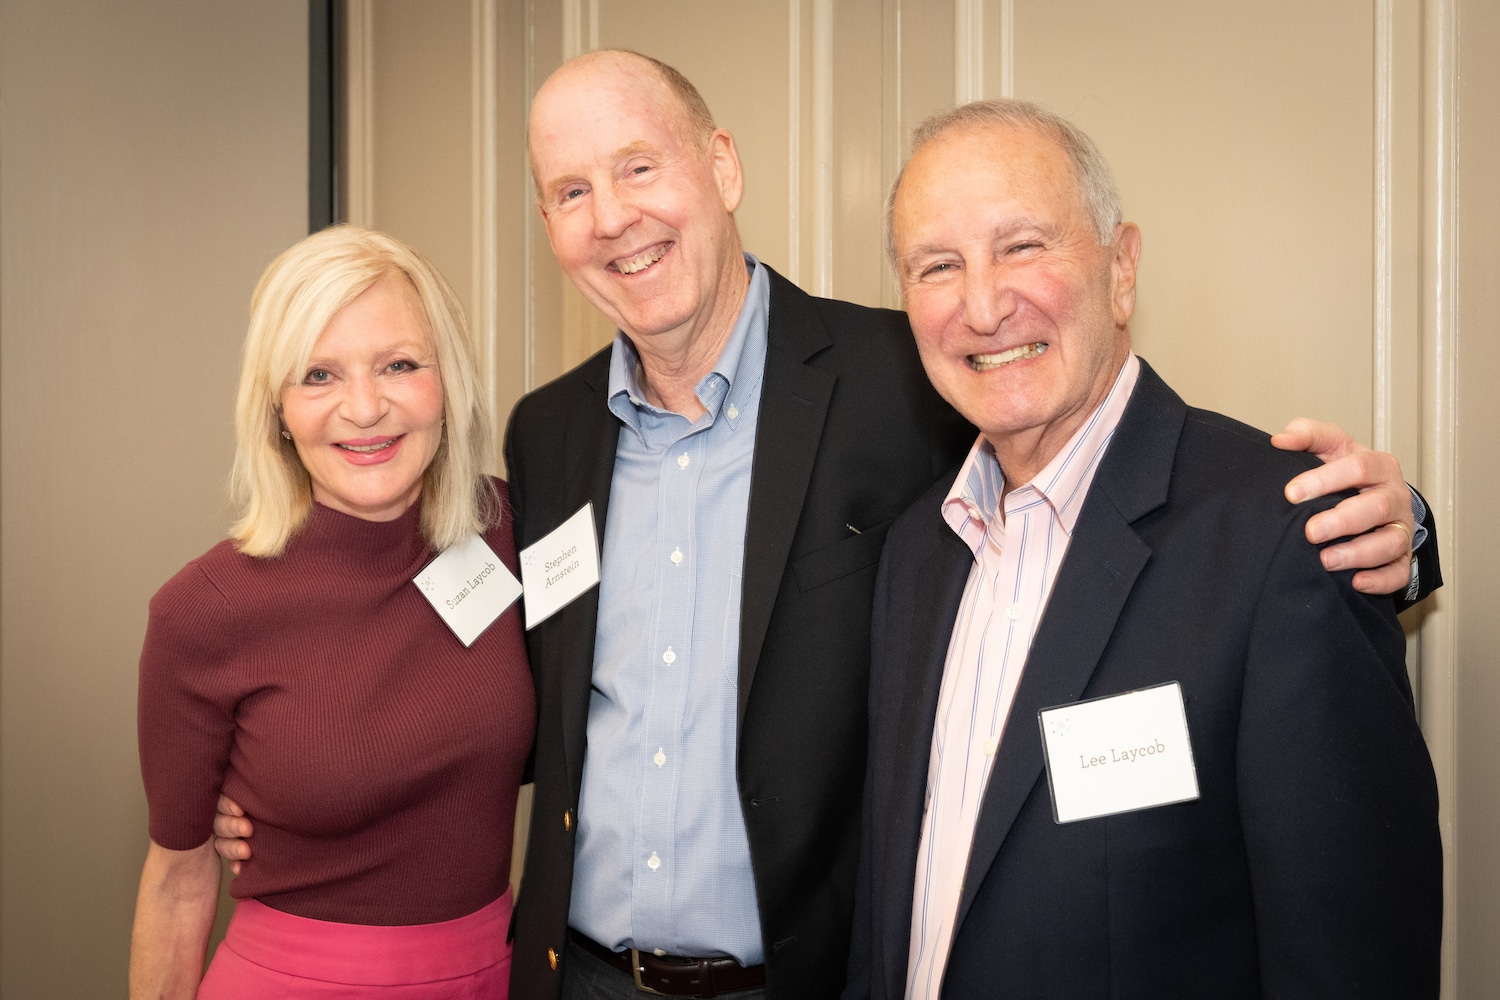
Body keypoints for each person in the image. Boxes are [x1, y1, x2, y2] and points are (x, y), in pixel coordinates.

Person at [215, 52, 1438, 1000]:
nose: (615, 216)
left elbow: (1132, 493)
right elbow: (491, 676)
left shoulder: (911, 377)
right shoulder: (549, 435)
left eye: (640, 167)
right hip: (576, 974)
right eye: (572, 192)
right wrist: (296, 777)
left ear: (722, 166)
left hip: (803, 978)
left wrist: (1397, 531)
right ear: (548, 226)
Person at [845, 100, 1441, 999]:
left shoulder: (1283, 541)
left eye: (1022, 246)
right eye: (937, 266)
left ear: (1121, 270)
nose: (982, 305)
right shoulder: (916, 551)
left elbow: (1351, 960)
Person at [129, 225, 532, 999]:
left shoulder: (513, 530)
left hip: (500, 973)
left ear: (447, 382)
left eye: (399, 365)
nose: (365, 407)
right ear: (277, 408)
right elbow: (176, 883)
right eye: (318, 375)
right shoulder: (203, 611)